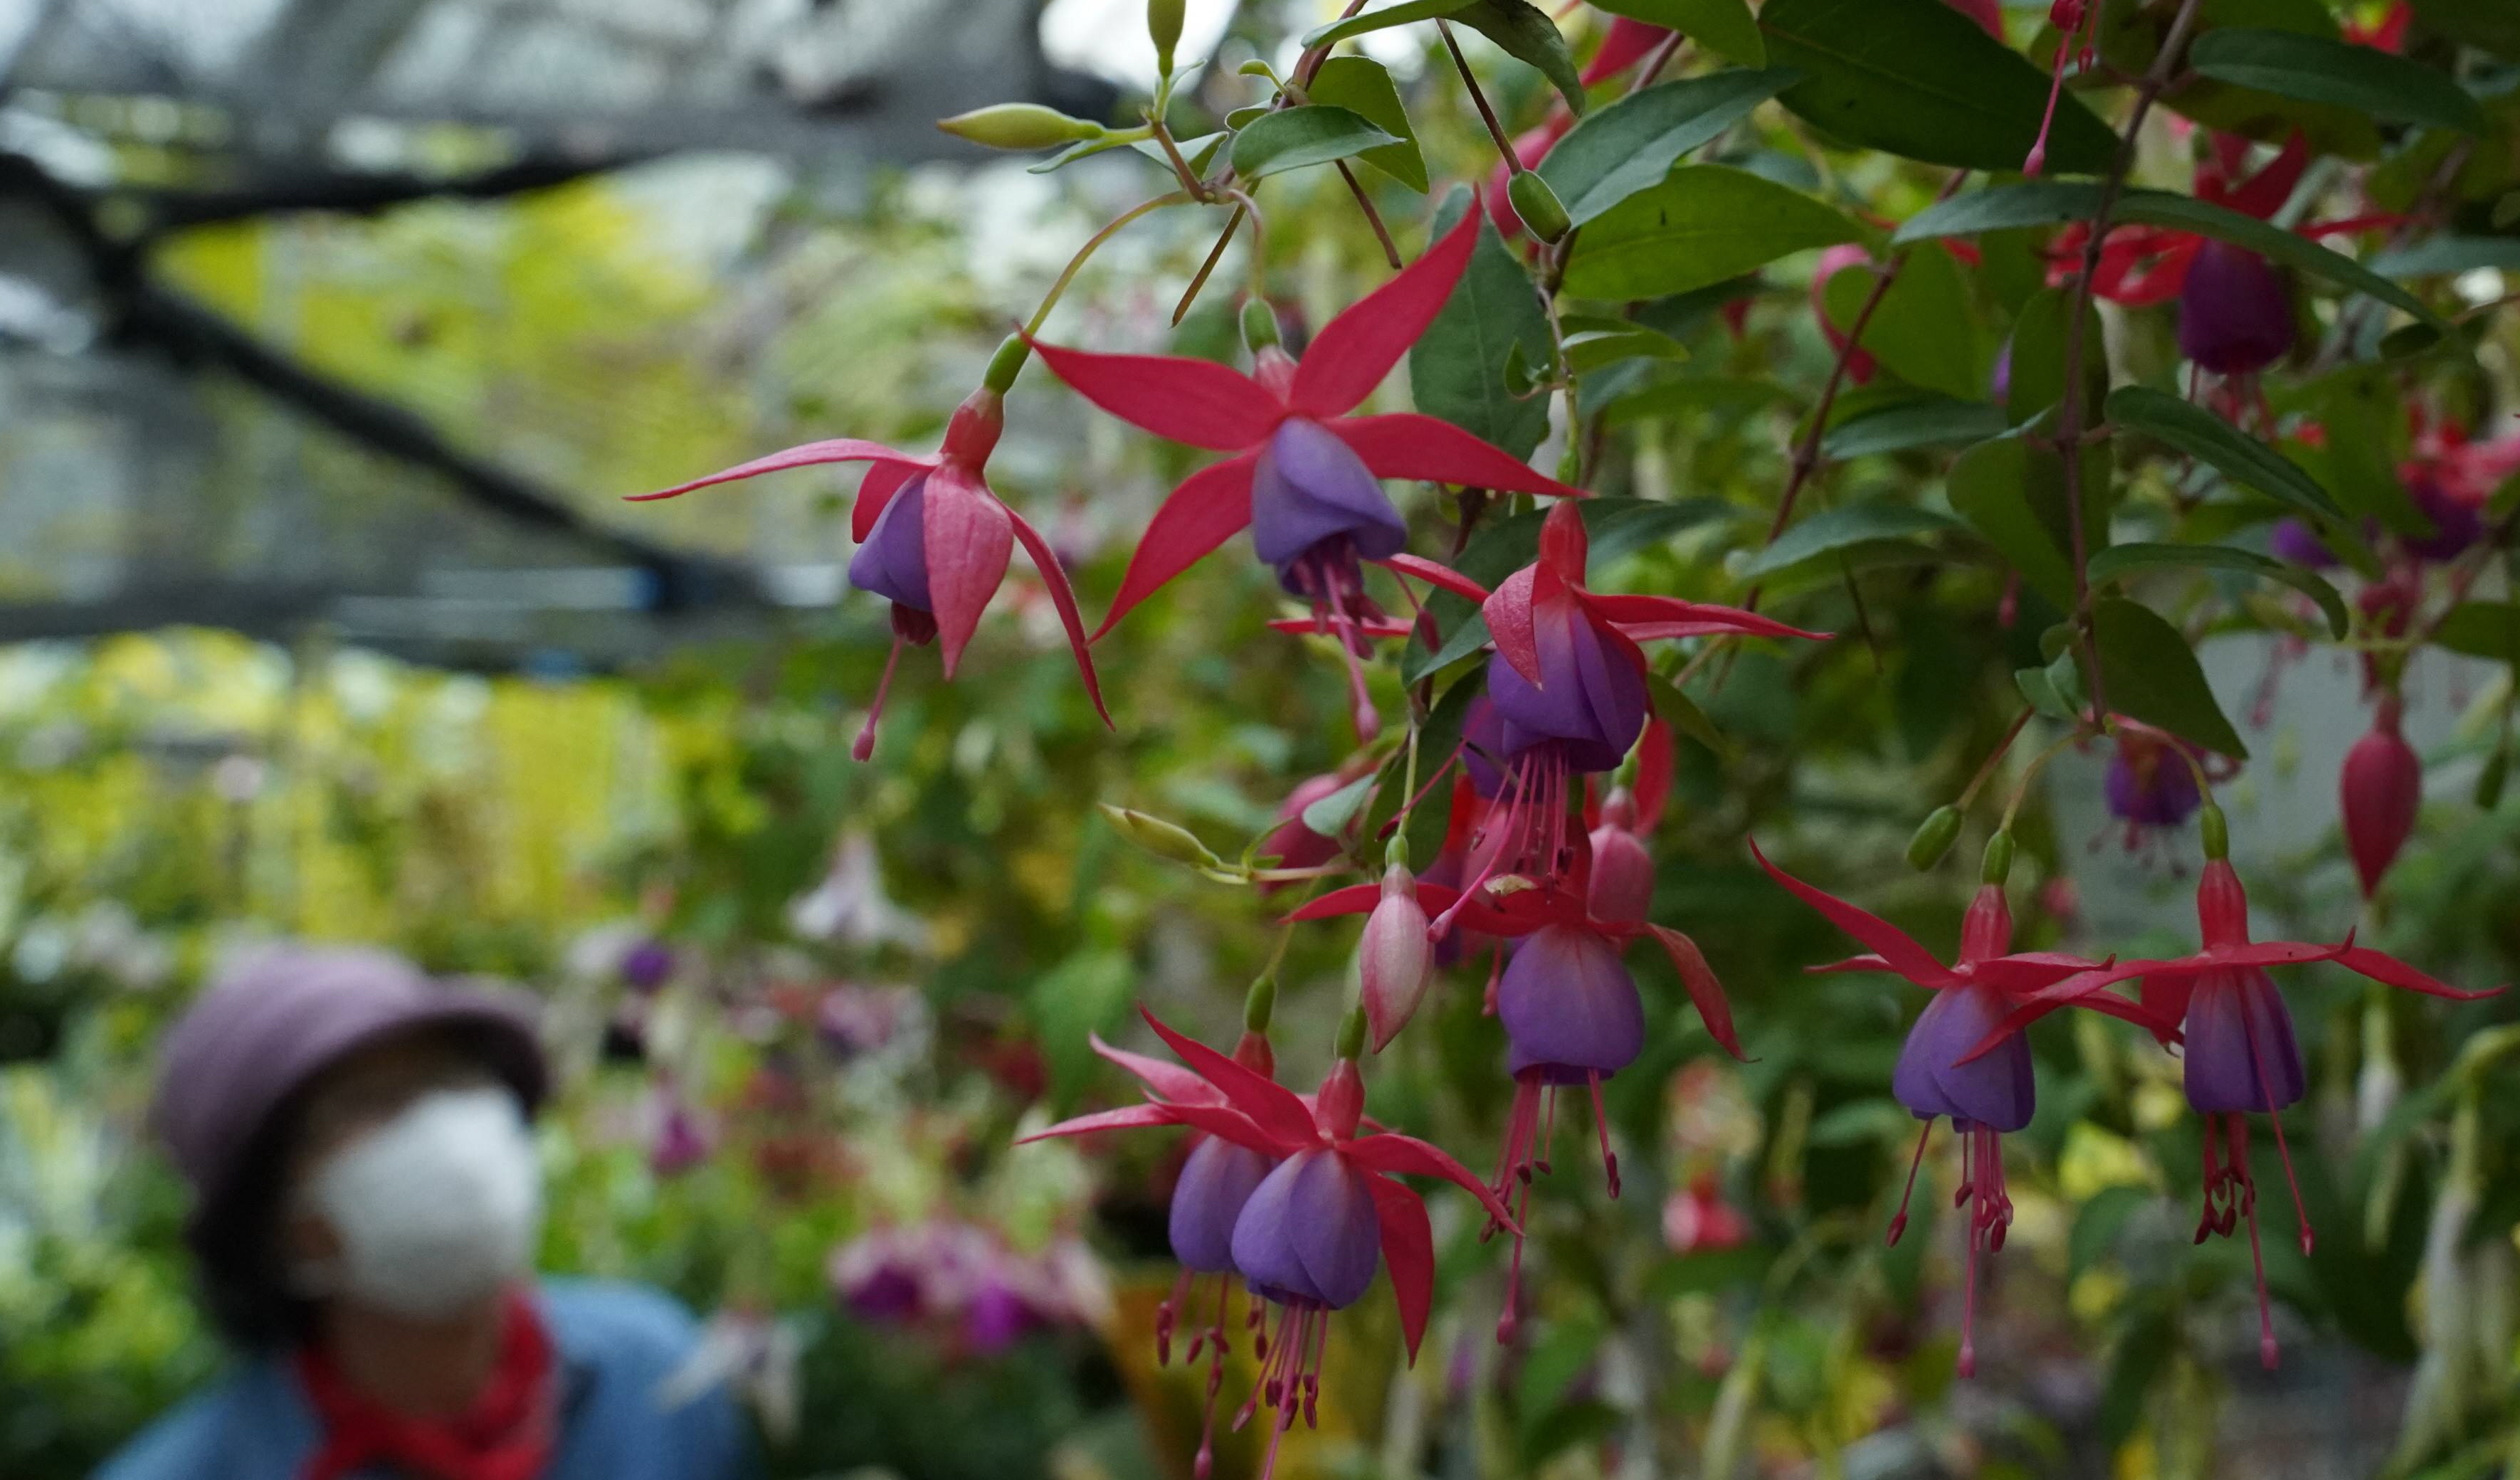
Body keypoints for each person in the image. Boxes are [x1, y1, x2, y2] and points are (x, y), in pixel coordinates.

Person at [97, 946, 755, 1480]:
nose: (440, 1127)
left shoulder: (656, 1377)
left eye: (453, 1078)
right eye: (368, 1104)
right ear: (279, 1231)